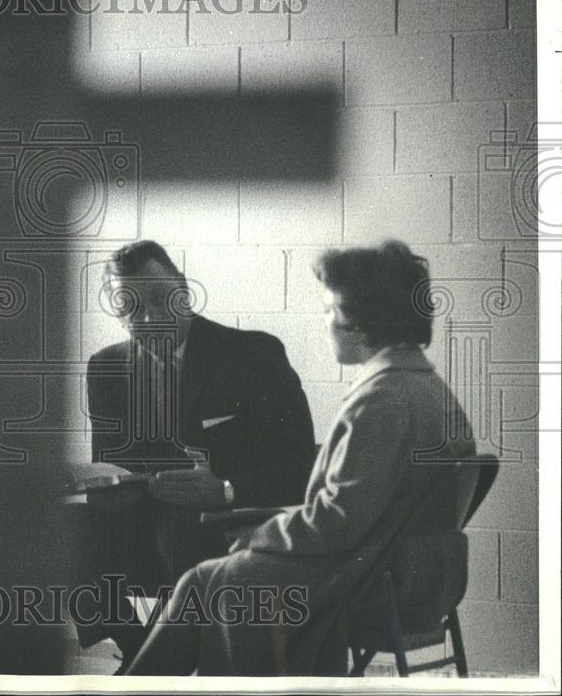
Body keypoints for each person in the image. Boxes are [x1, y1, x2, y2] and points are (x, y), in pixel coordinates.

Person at [123, 240, 477, 676]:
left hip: (370, 582)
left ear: (360, 321)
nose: (324, 321)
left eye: (329, 309)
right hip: (422, 578)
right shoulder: (428, 387)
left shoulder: (381, 399)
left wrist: (260, 535)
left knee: (209, 581)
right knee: (218, 578)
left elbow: (337, 520)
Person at [74, 240, 316, 665]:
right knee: (61, 533)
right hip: (142, 523)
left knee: (180, 532)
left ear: (184, 291)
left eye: (160, 299)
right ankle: (145, 658)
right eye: (129, 306)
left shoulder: (253, 354)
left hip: (225, 524)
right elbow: (110, 470)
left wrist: (223, 489)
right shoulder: (105, 367)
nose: (149, 318)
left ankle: (156, 667)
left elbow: (301, 469)